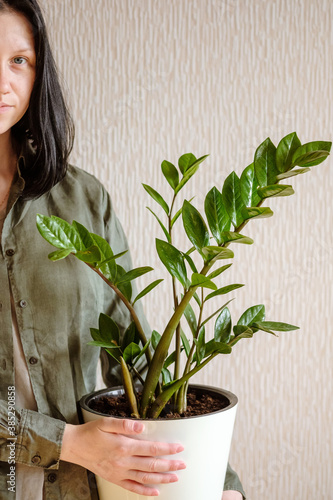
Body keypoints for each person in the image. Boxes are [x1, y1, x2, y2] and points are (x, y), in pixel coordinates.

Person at [0, 0, 246, 498]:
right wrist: (68, 442)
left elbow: (131, 351)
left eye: (18, 60)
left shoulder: (83, 198)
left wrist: (217, 477)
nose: (2, 81)